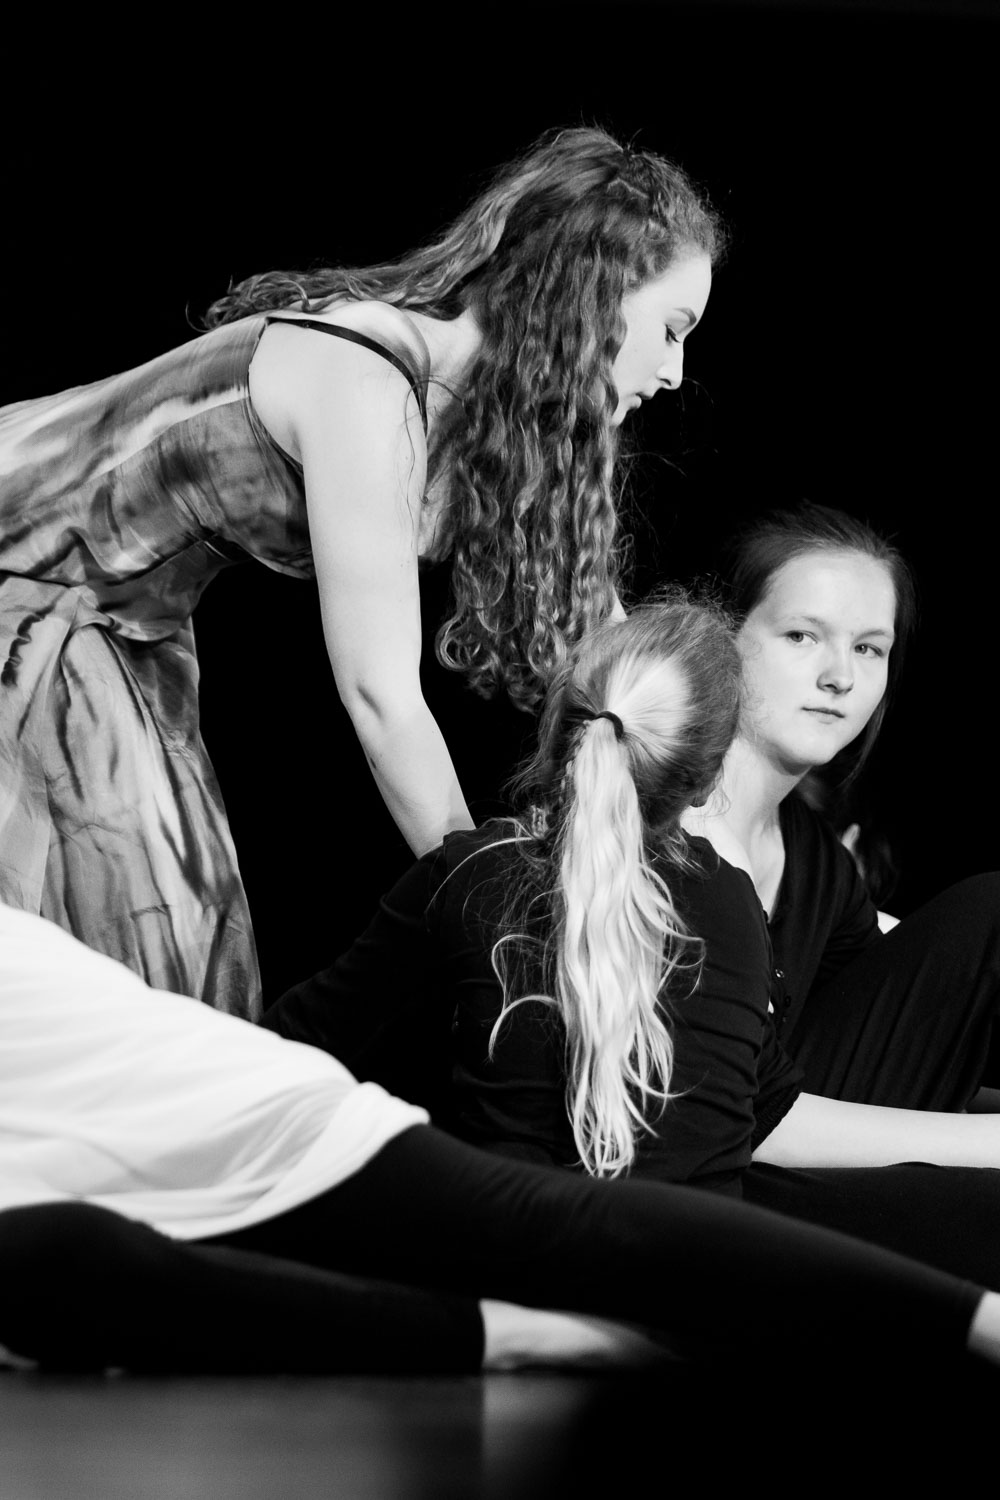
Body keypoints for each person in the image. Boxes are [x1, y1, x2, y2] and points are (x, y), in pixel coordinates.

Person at [0, 127, 719, 1019]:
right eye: (672, 330)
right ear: (593, 290)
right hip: (19, 573)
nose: (675, 371)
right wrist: (492, 915)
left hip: (120, 625)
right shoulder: (366, 377)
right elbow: (381, 696)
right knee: (147, 982)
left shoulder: (498, 427)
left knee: (174, 979)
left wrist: (708, 848)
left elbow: (617, 663)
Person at [263, 567, 1000, 1290]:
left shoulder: (469, 873)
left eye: (869, 646)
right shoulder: (730, 900)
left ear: (561, 726)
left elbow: (296, 1043)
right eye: (803, 635)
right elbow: (762, 1113)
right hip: (693, 1287)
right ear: (706, 778)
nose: (838, 673)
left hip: (510, 1267)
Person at [6, 895, 1000, 1385]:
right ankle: (518, 1331)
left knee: (548, 1230)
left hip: (244, 1119)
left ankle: (977, 1319)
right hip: (98, 1160)